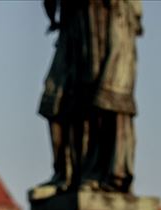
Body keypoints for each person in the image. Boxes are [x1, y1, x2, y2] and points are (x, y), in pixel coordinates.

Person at [36, 0, 143, 195]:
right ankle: (66, 174)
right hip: (75, 23)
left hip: (107, 18)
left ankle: (106, 174)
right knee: (55, 99)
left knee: (106, 98)